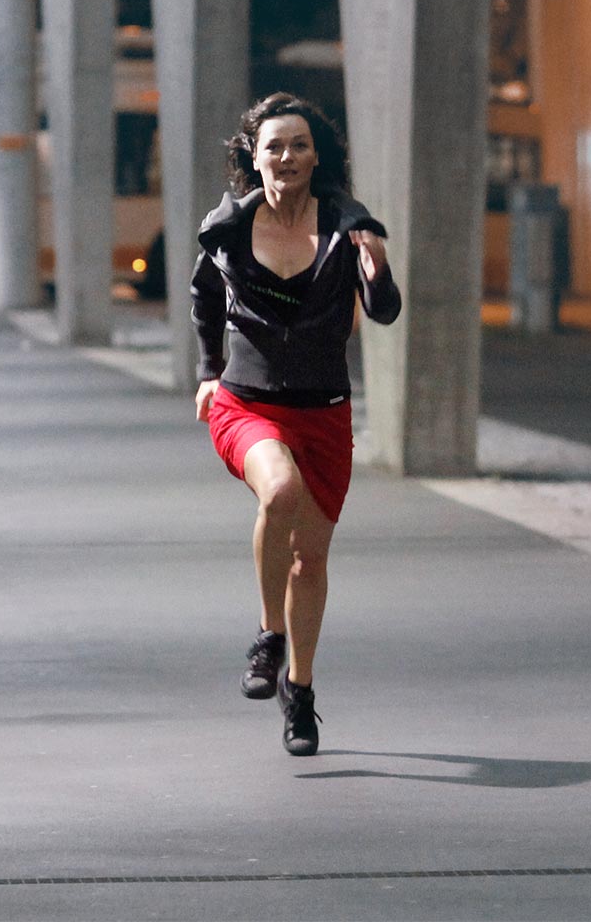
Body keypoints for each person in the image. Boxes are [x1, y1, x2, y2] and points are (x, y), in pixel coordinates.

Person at [190, 93, 401, 757]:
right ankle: (267, 634)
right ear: (254, 157)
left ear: (317, 156)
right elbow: (204, 293)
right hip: (246, 403)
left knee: (310, 560)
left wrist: (377, 267)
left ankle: (300, 694)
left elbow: (386, 311)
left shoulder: (346, 227)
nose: (288, 157)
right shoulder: (226, 229)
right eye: (275, 146)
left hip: (324, 412)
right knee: (277, 491)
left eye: (300, 145)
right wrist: (206, 368)